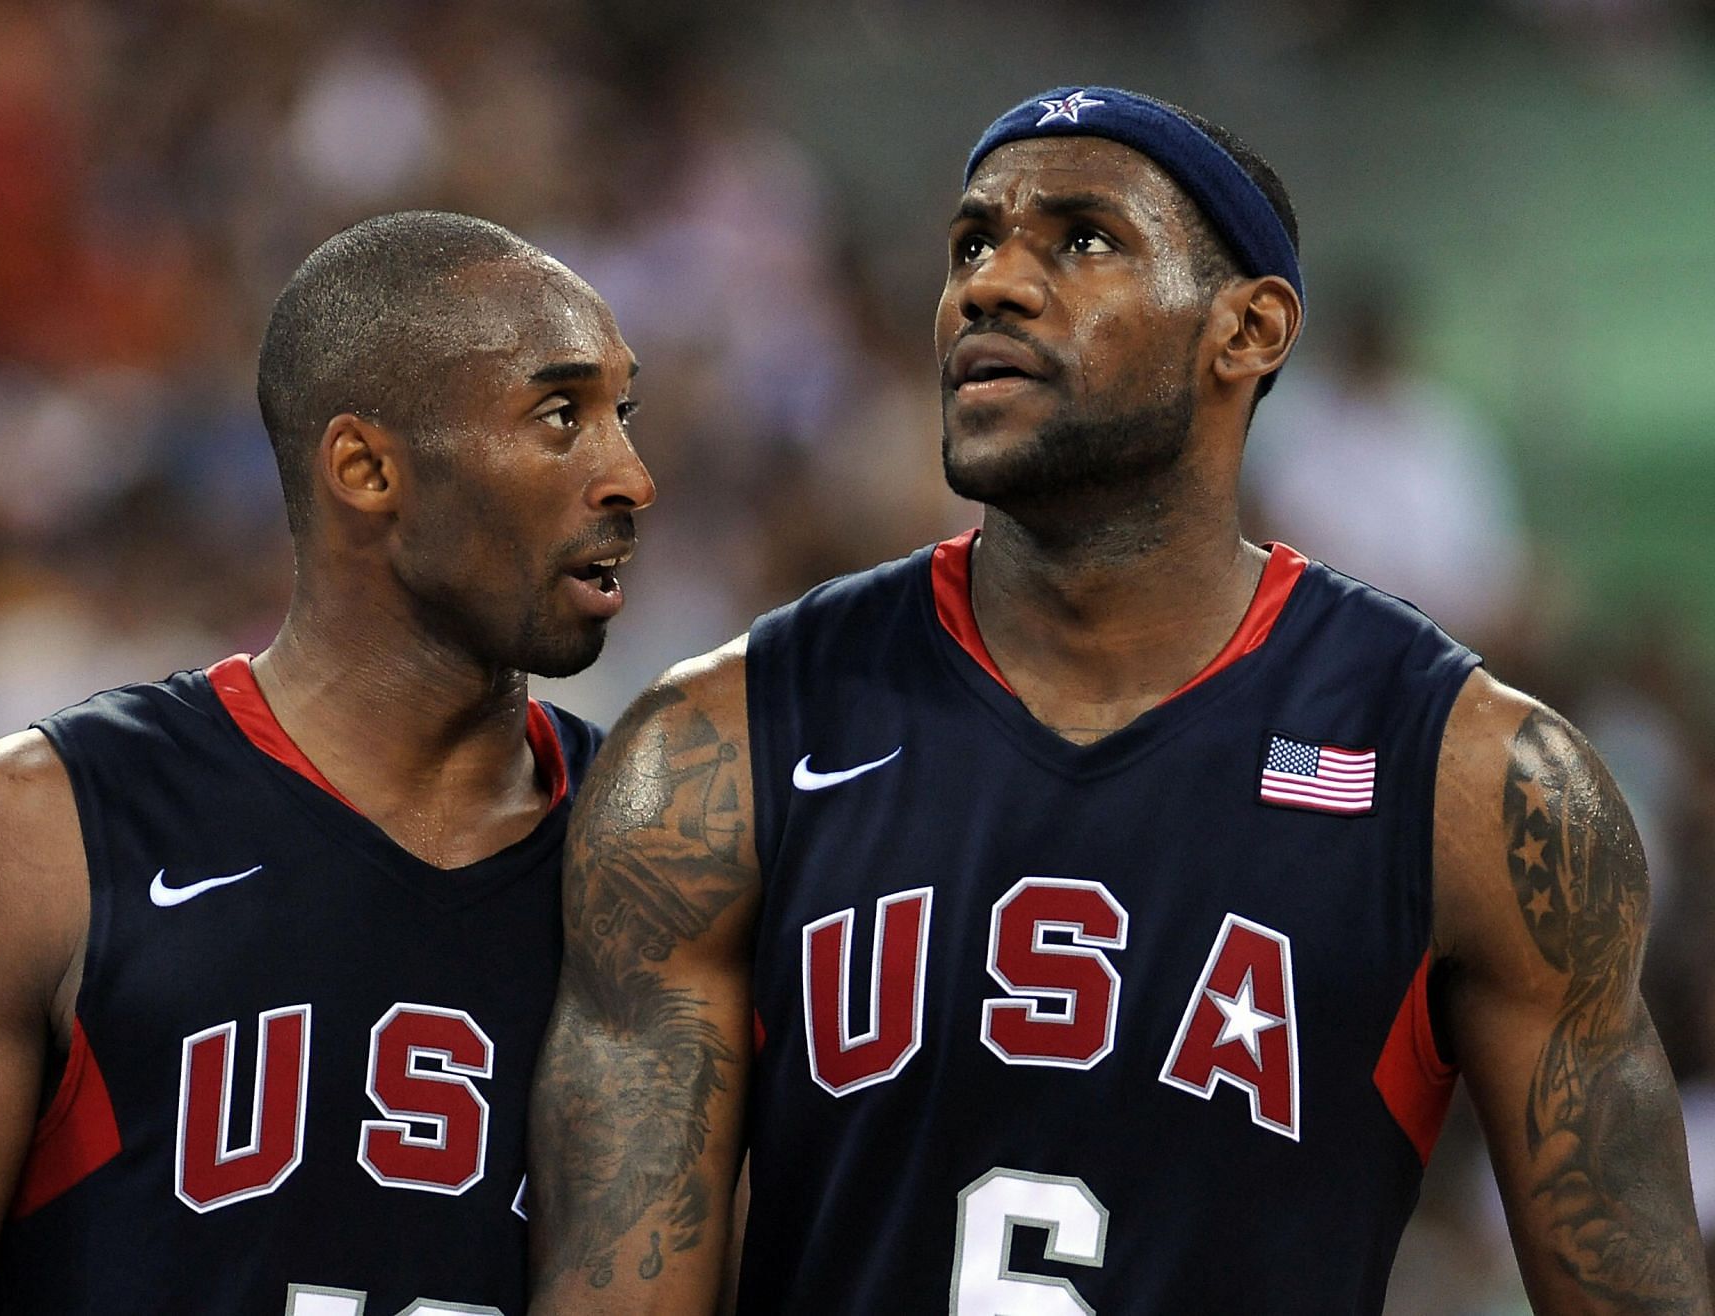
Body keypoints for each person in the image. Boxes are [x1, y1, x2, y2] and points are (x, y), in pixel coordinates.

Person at [526, 88, 1711, 1314]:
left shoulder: (1471, 779)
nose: (992, 284)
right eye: (972, 244)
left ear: (1248, 330)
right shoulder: (720, 746)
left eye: (1083, 240)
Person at [0, 210, 654, 1314]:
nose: (630, 473)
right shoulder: (40, 833)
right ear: (364, 466)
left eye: (622, 414)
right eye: (558, 414)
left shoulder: (670, 864)